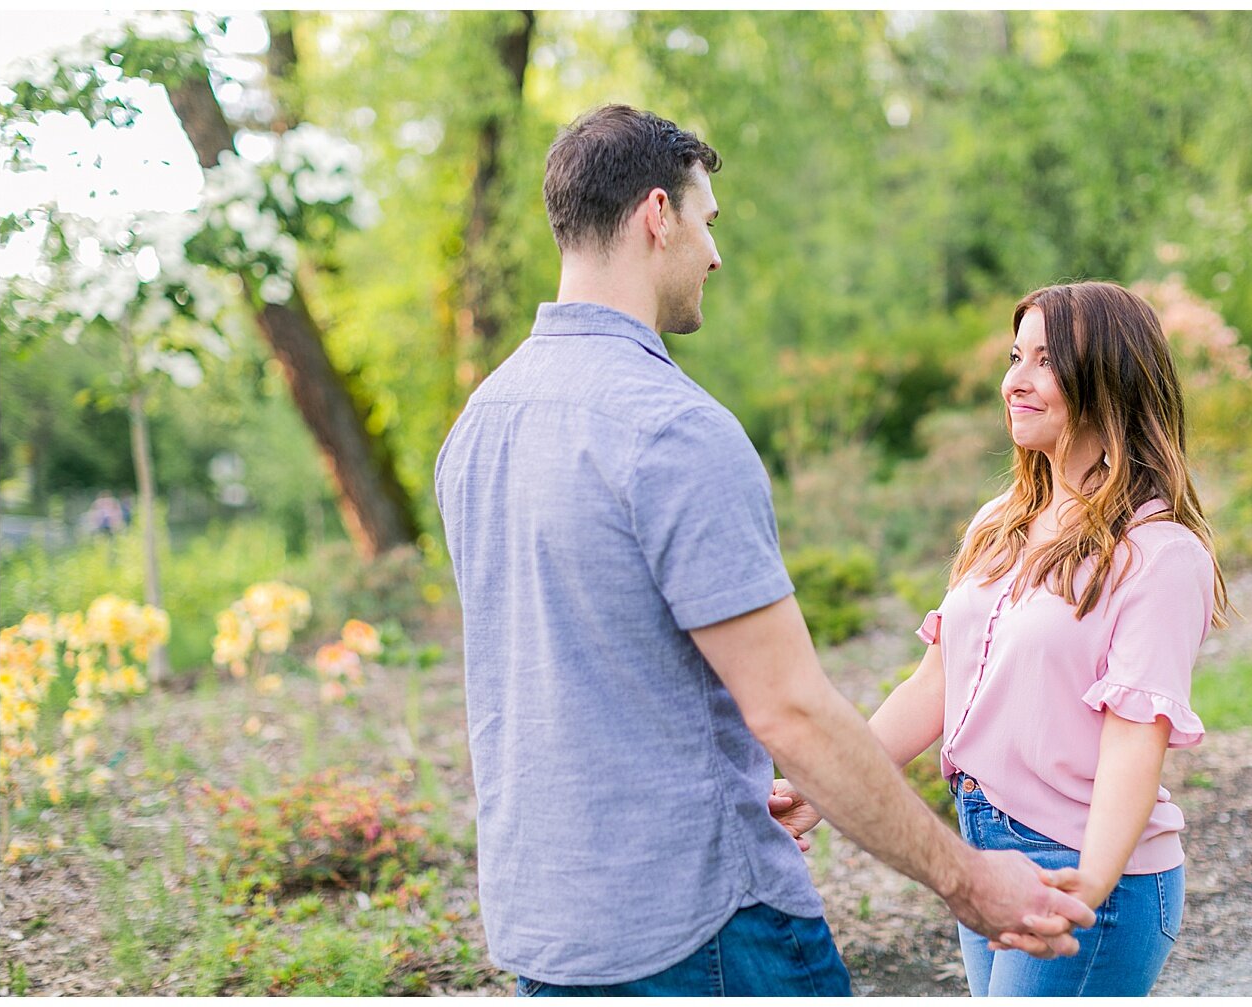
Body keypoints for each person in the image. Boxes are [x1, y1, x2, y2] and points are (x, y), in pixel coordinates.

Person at [434, 104, 1094, 997]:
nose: (714, 254)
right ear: (656, 216)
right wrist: (969, 880)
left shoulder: (479, 426)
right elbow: (789, 710)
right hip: (706, 934)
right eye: (707, 223)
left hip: (550, 933)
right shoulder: (672, 430)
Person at [773, 280, 1231, 996]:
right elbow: (934, 684)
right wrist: (822, 788)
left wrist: (1085, 888)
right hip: (988, 857)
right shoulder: (1000, 523)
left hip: (1086, 872)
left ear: (1108, 375)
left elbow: (1134, 743)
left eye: (1045, 361)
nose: (1013, 381)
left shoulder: (1160, 554)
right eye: (1015, 357)